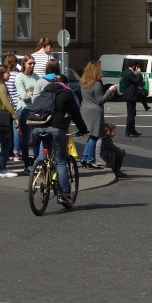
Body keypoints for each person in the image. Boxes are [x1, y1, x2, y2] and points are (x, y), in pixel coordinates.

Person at [33, 59, 89, 206]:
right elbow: (76, 115)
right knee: (61, 162)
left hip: (39, 127)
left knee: (45, 153)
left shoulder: (45, 91)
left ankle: (40, 171)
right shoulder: (67, 94)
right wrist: (83, 130)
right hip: (57, 129)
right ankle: (64, 195)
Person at [78, 59, 118, 167]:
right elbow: (100, 100)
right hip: (95, 113)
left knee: (91, 136)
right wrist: (110, 91)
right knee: (95, 137)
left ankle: (85, 159)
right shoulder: (97, 84)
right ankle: (90, 160)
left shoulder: (84, 83)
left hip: (85, 110)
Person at [15, 54, 38, 164]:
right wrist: (33, 95)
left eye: (33, 63)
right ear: (24, 64)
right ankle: (26, 162)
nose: (32, 65)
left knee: (36, 136)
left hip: (35, 109)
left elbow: (41, 92)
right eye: (30, 63)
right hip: (24, 109)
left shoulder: (36, 76)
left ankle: (37, 161)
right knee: (26, 137)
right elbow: (23, 96)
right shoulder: (19, 77)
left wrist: (31, 94)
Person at [121, 61, 146, 137]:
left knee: (133, 113)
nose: (138, 68)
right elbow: (136, 80)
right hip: (130, 96)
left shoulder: (129, 72)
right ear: (134, 66)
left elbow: (138, 82)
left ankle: (132, 130)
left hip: (132, 96)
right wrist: (139, 73)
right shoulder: (129, 73)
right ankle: (128, 131)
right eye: (137, 67)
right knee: (131, 114)